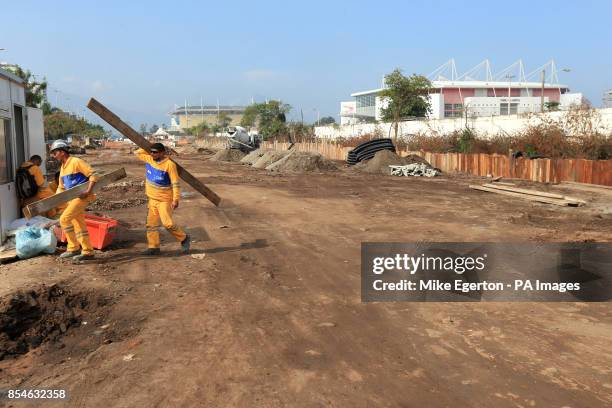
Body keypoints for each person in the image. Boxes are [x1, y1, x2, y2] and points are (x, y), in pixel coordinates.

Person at [134, 143, 190, 255]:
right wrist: (147, 144)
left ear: (162, 153)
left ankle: (184, 238)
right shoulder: (149, 159)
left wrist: (176, 199)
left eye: (155, 152)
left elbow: (175, 183)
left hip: (164, 200)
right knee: (151, 225)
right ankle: (153, 247)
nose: (153, 154)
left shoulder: (169, 165)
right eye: (151, 152)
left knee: (167, 224)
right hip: (152, 199)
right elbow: (137, 153)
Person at [50, 140, 98, 261]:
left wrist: (88, 191)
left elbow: (93, 174)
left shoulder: (76, 162)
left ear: (62, 152)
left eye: (55, 153)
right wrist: (54, 200)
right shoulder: (63, 167)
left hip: (82, 197)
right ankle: (88, 251)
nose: (54, 155)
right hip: (72, 199)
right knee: (79, 224)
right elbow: (61, 187)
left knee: (64, 219)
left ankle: (73, 248)